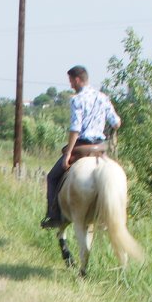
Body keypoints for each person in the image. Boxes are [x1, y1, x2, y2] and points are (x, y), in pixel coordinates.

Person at [42, 65, 121, 229]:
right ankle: (108, 216)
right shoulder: (103, 97)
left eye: (71, 81)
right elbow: (116, 122)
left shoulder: (76, 99)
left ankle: (53, 215)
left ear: (77, 80)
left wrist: (68, 153)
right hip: (100, 148)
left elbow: (75, 129)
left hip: (82, 148)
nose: (70, 85)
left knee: (52, 177)